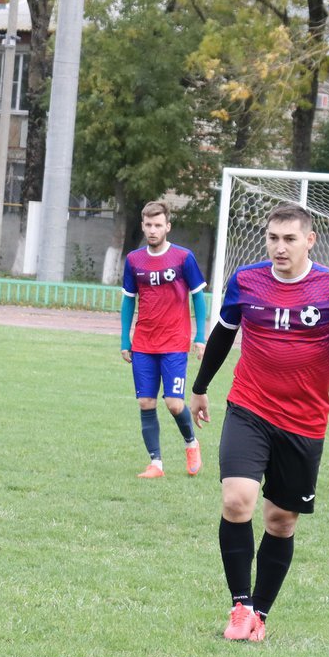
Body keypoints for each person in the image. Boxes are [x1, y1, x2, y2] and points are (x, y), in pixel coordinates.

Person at [188, 203, 329, 643]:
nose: (279, 247)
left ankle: (262, 614)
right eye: (273, 238)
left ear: (310, 240)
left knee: (280, 521)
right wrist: (199, 387)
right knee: (237, 501)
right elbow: (223, 334)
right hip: (248, 409)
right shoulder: (246, 281)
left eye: (289, 239)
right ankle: (240, 607)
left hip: (304, 423)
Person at [119, 200, 209, 478]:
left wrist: (200, 335)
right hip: (144, 342)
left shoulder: (183, 258)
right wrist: (125, 339)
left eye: (158, 225)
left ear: (167, 227)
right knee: (146, 402)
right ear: (143, 225)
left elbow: (198, 296)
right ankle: (155, 463)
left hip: (174, 341)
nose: (153, 230)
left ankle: (191, 443)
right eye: (148, 224)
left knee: (173, 403)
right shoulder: (134, 260)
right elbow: (127, 302)